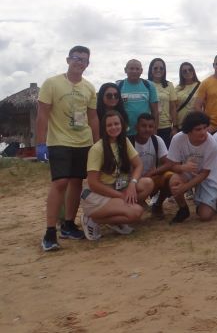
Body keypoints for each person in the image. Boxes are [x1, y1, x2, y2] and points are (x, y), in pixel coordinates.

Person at [36, 45, 99, 251]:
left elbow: (93, 117)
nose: (79, 62)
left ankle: (69, 224)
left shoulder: (89, 88)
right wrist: (40, 143)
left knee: (76, 182)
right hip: (59, 141)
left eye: (83, 60)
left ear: (87, 64)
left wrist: (97, 143)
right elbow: (43, 113)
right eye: (76, 58)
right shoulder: (52, 83)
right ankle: (50, 231)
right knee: (60, 182)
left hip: (83, 141)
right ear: (67, 60)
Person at [81, 110, 154, 240]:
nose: (113, 127)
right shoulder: (97, 149)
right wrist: (121, 196)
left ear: (122, 125)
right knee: (136, 212)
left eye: (116, 123)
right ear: (104, 128)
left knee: (147, 183)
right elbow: (93, 184)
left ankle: (116, 218)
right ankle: (93, 218)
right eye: (109, 125)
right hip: (98, 194)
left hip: (119, 186)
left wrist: (133, 183)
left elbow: (138, 165)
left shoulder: (124, 141)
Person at [163, 111, 217, 223]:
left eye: (205, 127)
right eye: (198, 129)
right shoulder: (178, 139)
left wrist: (185, 187)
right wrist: (182, 168)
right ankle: (183, 209)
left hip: (207, 175)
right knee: (174, 182)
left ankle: (208, 198)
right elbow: (171, 165)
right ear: (188, 131)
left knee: (205, 215)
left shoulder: (212, 143)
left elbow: (205, 173)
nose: (203, 132)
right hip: (188, 172)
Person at [132, 113, 172, 218]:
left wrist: (153, 172)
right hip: (132, 182)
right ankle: (134, 203)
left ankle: (158, 205)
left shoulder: (157, 140)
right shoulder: (129, 142)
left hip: (151, 178)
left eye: (150, 126)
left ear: (154, 127)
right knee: (136, 215)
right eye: (143, 126)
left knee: (169, 177)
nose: (147, 129)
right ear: (136, 127)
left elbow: (168, 163)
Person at [118, 59, 159, 137]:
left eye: (137, 69)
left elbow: (155, 111)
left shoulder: (149, 85)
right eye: (131, 68)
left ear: (141, 71)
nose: (134, 71)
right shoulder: (119, 86)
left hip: (145, 133)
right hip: (124, 133)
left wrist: (154, 130)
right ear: (125, 70)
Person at [147, 58, 178, 146]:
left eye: (161, 68)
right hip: (148, 126)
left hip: (165, 127)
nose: (158, 70)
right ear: (151, 69)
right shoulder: (146, 84)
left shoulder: (169, 85)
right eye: (155, 68)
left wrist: (175, 127)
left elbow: (173, 108)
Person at [175, 62, 201, 128]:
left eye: (190, 69)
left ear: (193, 71)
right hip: (181, 123)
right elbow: (173, 107)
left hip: (196, 123)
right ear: (181, 74)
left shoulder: (201, 86)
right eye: (184, 71)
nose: (188, 72)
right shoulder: (177, 88)